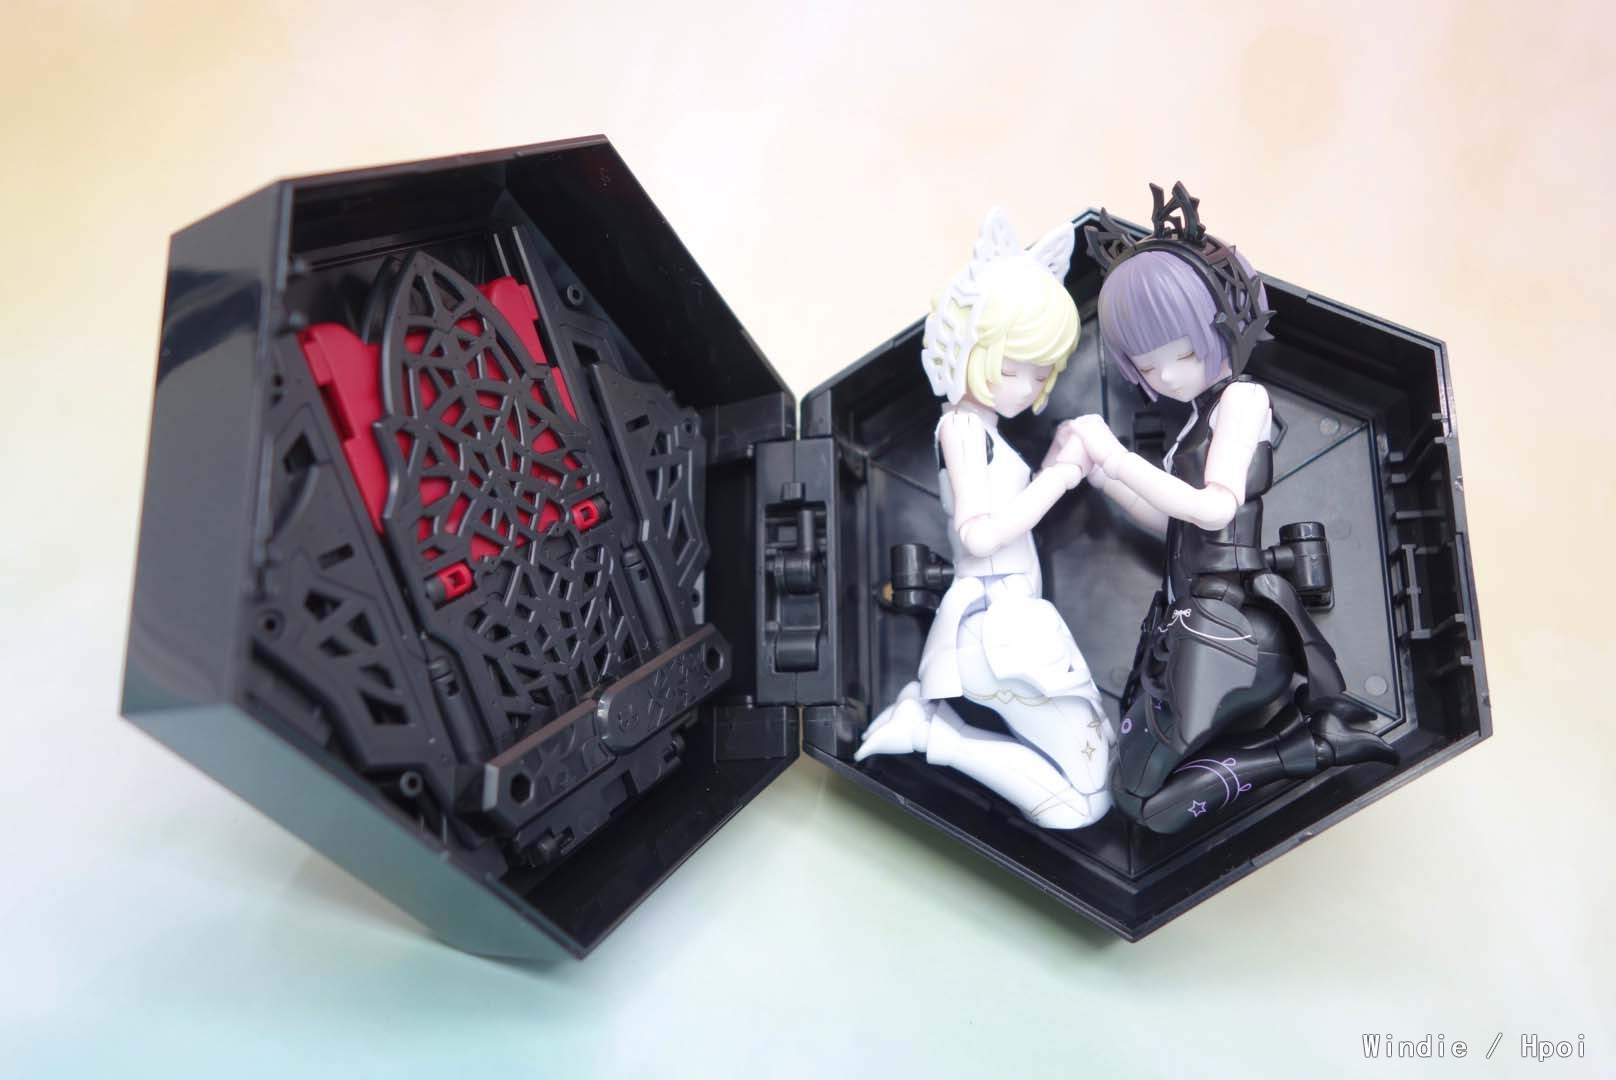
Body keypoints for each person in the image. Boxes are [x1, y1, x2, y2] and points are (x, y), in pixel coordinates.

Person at [1050, 182, 1395, 835]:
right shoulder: (1194, 421)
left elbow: (1212, 510)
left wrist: (1116, 458)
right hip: (1193, 622)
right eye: (1149, 367)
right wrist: (1100, 475)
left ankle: (1310, 747)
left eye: (1181, 354)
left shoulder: (1243, 400)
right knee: (1136, 795)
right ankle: (1309, 743)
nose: (1167, 377)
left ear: (1224, 326)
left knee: (1144, 805)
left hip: (1229, 624)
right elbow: (1172, 523)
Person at [854, 209, 1115, 830]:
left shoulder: (983, 431)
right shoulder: (963, 429)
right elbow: (979, 535)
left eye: (1040, 371)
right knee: (1084, 803)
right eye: (1013, 367)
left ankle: (931, 731)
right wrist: (1060, 476)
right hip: (1000, 633)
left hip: (1015, 630)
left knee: (1099, 770)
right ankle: (931, 735)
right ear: (975, 349)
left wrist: (1054, 464)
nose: (1027, 386)